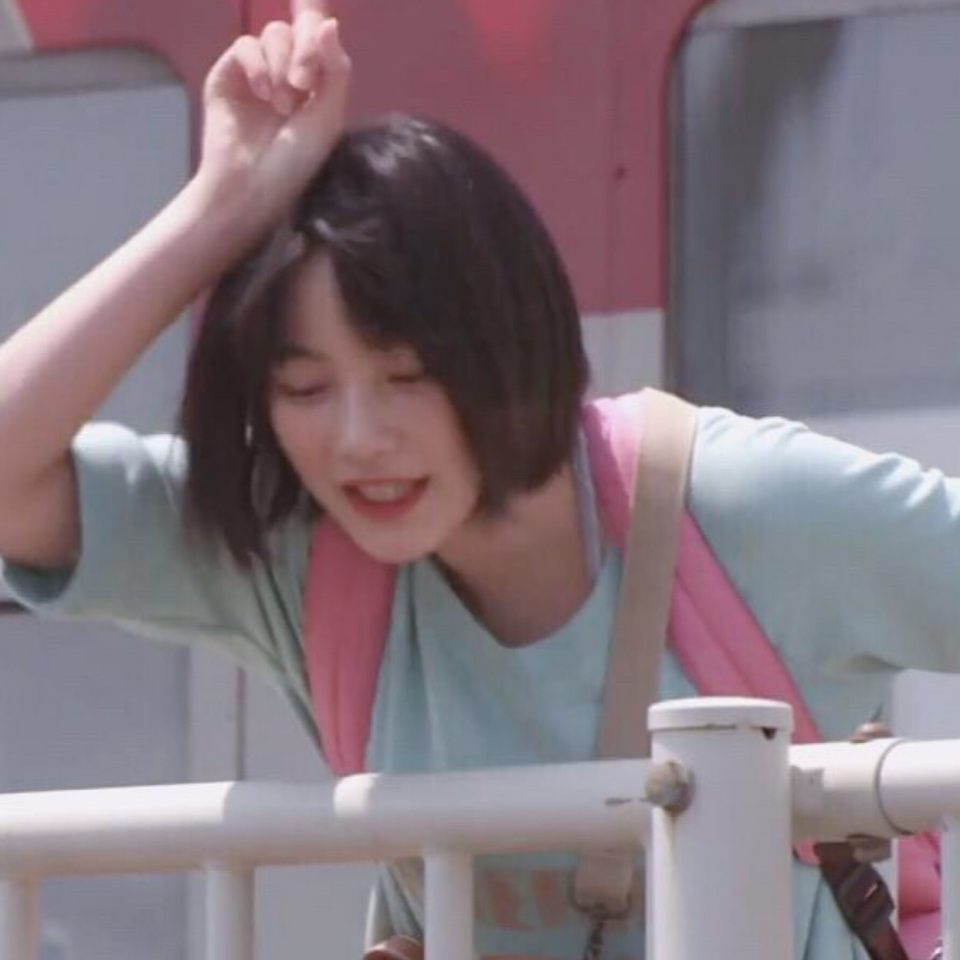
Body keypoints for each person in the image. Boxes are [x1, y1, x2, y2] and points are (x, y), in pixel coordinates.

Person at [0, 2, 958, 958]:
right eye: (305, 388)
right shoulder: (312, 562)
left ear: (510, 337)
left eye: (407, 375)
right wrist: (222, 205)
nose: (358, 440)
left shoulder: (742, 506)